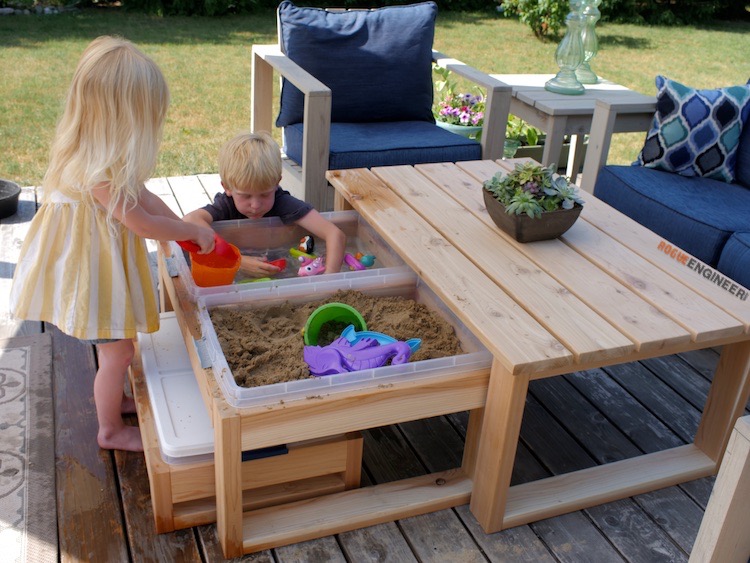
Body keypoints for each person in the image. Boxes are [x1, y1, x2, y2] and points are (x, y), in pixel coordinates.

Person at [9, 36, 215, 452]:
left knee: (120, 348)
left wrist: (178, 222)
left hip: (98, 265)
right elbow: (141, 223)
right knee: (117, 353)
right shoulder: (97, 171)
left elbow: (145, 198)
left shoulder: (103, 154)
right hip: (91, 276)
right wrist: (190, 233)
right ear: (121, 120)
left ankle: (117, 400)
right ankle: (109, 431)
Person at [183, 132, 346, 278]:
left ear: (276, 183)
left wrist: (329, 279)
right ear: (227, 188)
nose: (255, 205)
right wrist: (238, 261)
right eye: (245, 196)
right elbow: (190, 220)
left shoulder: (282, 202)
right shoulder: (225, 205)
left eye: (265, 194)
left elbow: (334, 234)